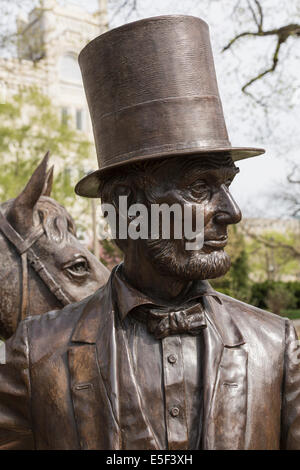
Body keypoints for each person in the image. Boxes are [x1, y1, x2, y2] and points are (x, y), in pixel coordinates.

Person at [0, 15, 299, 450]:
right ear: (127, 203)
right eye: (200, 187)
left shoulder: (277, 346)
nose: (231, 212)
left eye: (227, 186)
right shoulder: (37, 353)